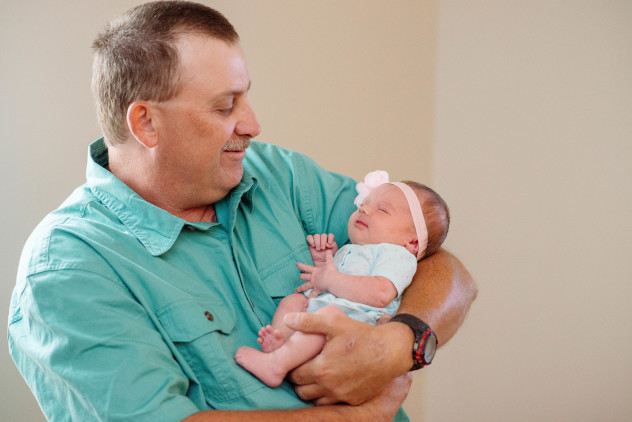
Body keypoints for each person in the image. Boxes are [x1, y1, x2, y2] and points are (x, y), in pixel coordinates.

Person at [7, 2, 477, 421]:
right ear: (146, 123)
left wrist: (398, 343)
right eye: (226, 105)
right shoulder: (68, 271)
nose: (253, 124)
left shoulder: (279, 174)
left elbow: (445, 268)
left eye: (245, 95)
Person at [235, 172, 450, 388]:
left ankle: (275, 366)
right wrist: (323, 263)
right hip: (325, 318)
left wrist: (330, 278)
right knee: (294, 301)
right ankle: (280, 345)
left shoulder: (397, 255)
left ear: (411, 242)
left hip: (353, 330)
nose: (364, 209)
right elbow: (327, 288)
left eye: (382, 210)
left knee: (328, 316)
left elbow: (381, 293)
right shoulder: (350, 250)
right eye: (363, 204)